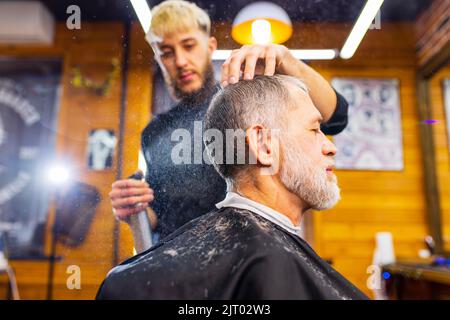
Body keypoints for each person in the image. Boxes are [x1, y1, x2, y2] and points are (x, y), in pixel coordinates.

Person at [96, 75, 368, 300]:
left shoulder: (123, 282)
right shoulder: (266, 261)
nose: (330, 146)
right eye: (314, 129)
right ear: (263, 145)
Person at [109, 0, 349, 242]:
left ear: (211, 46)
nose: (180, 61)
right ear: (158, 58)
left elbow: (337, 117)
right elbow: (162, 216)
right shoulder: (154, 134)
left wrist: (288, 61)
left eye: (189, 46)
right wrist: (134, 207)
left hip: (249, 256)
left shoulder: (243, 104)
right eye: (167, 53)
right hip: (180, 266)